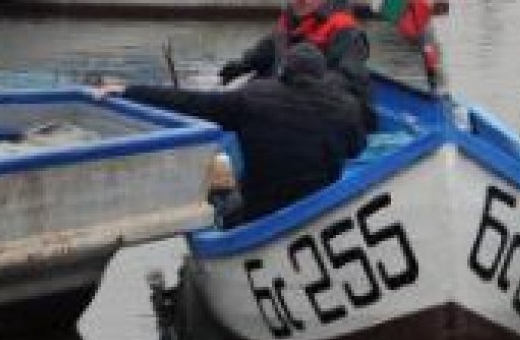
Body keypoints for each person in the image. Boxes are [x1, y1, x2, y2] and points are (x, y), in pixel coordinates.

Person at [105, 44, 365, 224]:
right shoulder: (347, 108)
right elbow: (356, 148)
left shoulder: (252, 98)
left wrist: (129, 91)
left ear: (283, 73)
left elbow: (189, 102)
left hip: (259, 212)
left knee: (220, 176)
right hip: (320, 207)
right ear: (322, 76)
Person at [217, 0, 373, 125]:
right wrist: (240, 66)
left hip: (331, 108)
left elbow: (350, 77)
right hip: (290, 98)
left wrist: (302, 88)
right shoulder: (287, 22)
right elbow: (266, 50)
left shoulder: (345, 28)